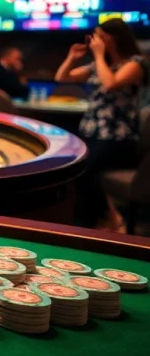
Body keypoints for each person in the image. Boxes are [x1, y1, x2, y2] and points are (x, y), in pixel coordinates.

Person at [55, 18, 146, 231]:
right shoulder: (99, 64)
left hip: (118, 136)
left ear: (113, 38)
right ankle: (94, 222)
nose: (94, 41)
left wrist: (97, 55)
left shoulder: (135, 63)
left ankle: (110, 218)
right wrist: (72, 57)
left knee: (83, 171)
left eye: (100, 36)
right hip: (92, 130)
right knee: (72, 170)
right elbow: (61, 77)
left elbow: (111, 83)